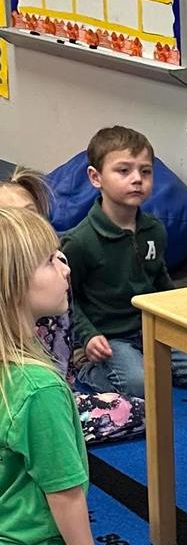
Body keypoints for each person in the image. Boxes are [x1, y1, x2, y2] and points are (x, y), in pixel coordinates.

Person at [62, 127, 187, 398]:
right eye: (124, 171)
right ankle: (86, 368)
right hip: (108, 337)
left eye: (145, 171)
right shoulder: (80, 241)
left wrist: (181, 320)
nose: (137, 179)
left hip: (149, 329)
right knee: (140, 385)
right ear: (96, 177)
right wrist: (87, 337)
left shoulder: (154, 229)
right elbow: (66, 298)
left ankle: (144, 365)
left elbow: (160, 280)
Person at [0, 167, 146, 444]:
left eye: (31, 215)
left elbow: (60, 362)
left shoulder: (54, 284)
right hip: (25, 401)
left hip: (50, 394)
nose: (63, 267)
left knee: (139, 410)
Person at [0, 207, 93, 544]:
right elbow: (65, 496)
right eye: (49, 261)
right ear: (13, 285)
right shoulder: (39, 390)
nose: (64, 267)